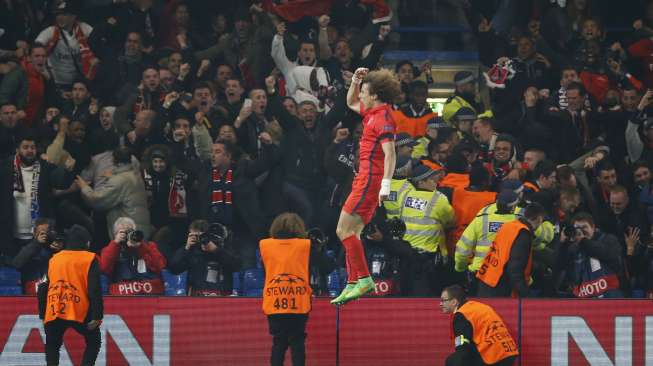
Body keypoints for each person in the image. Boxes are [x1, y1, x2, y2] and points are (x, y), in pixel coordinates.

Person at [331, 67, 400, 305]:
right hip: (365, 179)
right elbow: (350, 101)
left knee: (342, 231)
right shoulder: (372, 113)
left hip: (370, 181)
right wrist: (356, 81)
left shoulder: (383, 119)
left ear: (376, 95)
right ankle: (352, 282)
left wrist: (386, 186)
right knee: (354, 233)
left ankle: (364, 279)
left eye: (365, 91)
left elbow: (390, 154)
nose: (361, 95)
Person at [37, 225, 103, 366]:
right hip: (80, 310)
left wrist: (43, 315)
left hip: (55, 309)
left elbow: (42, 288)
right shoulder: (90, 258)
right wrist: (97, 316)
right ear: (87, 243)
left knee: (52, 346)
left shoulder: (54, 259)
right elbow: (94, 290)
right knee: (94, 342)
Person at [260, 213, 313, 366]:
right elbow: (323, 266)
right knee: (297, 342)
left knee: (278, 343)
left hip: (274, 300)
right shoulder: (306, 245)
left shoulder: (265, 245)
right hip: (299, 301)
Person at [476, 203, 547, 298]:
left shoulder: (509, 226)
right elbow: (515, 268)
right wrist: (526, 295)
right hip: (499, 287)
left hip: (487, 279)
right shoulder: (523, 234)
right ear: (538, 218)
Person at [441, 284, 518, 366]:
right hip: (509, 353)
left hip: (493, 356)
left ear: (454, 302)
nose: (440, 304)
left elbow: (462, 347)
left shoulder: (462, 314)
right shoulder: (478, 306)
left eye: (443, 300)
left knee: (452, 361)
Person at [168, 220, 241, 296]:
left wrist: (216, 250)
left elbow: (237, 265)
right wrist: (186, 248)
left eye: (202, 236)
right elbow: (174, 269)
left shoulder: (223, 249)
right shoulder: (191, 252)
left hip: (221, 297)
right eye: (195, 236)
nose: (201, 239)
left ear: (209, 234)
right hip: (197, 298)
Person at [99, 217, 166, 295]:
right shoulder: (110, 249)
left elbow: (160, 266)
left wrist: (141, 247)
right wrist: (115, 244)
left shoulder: (148, 246)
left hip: (150, 294)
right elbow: (104, 268)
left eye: (130, 232)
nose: (127, 236)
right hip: (123, 296)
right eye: (123, 233)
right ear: (115, 235)